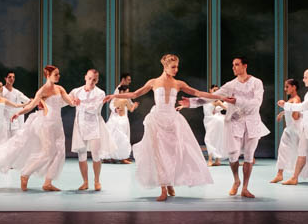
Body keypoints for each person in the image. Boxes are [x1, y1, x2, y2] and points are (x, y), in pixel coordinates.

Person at [104, 54, 235, 202]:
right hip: (157, 120)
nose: (176, 70)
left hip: (173, 120)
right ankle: (163, 188)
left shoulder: (178, 83)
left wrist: (222, 97)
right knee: (159, 154)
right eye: (173, 67)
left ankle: (170, 182)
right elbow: (134, 94)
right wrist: (114, 96)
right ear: (165, 66)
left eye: (177, 67)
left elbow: (198, 93)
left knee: (173, 153)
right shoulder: (154, 82)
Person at [179, 57, 270, 198]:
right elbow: (212, 97)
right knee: (233, 154)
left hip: (252, 122)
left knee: (249, 155)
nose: (234, 67)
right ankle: (236, 180)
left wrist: (237, 101)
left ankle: (245, 188)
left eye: (237, 64)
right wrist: (191, 103)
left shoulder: (256, 82)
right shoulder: (230, 85)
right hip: (234, 122)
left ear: (245, 66)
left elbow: (257, 102)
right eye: (233, 65)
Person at [0, 65, 76, 191]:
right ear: (48, 75)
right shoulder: (42, 91)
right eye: (56, 74)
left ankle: (48, 183)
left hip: (58, 124)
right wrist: (19, 113)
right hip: (46, 124)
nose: (58, 76)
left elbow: (70, 102)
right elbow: (31, 106)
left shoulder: (60, 88)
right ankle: (25, 174)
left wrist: (75, 102)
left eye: (58, 74)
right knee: (48, 152)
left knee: (60, 152)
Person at [270, 79, 308, 184]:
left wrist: (292, 113)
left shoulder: (296, 99)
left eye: (287, 87)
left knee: (307, 152)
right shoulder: (291, 99)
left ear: (294, 87)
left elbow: (296, 115)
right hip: (289, 129)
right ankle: (279, 174)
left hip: (297, 129)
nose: (285, 89)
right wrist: (282, 113)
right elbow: (292, 109)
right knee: (283, 150)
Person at [69, 69, 113, 191]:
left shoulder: (100, 93)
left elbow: (94, 109)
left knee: (96, 153)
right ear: (85, 77)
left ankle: (97, 181)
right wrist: (72, 101)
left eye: (94, 79)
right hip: (80, 125)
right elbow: (68, 100)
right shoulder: (76, 91)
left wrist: (79, 103)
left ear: (97, 80)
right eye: (89, 78)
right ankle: (85, 182)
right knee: (81, 154)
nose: (91, 81)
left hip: (94, 125)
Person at [103, 85, 138, 164]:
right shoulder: (125, 99)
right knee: (122, 139)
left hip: (115, 120)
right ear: (122, 92)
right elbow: (131, 109)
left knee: (114, 138)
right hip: (122, 120)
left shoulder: (115, 99)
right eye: (127, 92)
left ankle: (112, 156)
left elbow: (112, 106)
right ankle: (122, 157)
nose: (128, 94)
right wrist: (135, 105)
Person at [200, 85, 227, 166]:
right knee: (213, 139)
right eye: (214, 90)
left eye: (217, 90)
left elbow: (226, 108)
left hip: (215, 121)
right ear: (210, 90)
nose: (216, 92)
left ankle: (211, 160)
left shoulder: (217, 101)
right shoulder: (205, 99)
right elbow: (196, 103)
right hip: (208, 120)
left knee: (210, 139)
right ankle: (216, 160)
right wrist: (183, 105)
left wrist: (219, 110)